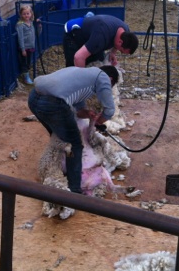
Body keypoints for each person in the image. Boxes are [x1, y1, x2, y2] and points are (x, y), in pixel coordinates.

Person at [28, 65, 119, 194]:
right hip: (52, 104)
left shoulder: (82, 76)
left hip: (33, 98)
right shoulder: (103, 78)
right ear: (110, 79)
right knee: (75, 144)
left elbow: (79, 111)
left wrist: (88, 114)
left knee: (59, 136)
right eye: (110, 86)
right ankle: (74, 190)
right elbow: (109, 111)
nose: (106, 90)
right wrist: (99, 121)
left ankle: (60, 165)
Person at [63, 14, 139, 68]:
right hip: (73, 35)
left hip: (93, 35)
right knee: (73, 71)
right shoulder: (100, 36)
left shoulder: (125, 31)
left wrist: (113, 52)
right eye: (121, 50)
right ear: (120, 42)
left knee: (98, 65)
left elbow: (118, 41)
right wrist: (83, 80)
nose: (120, 51)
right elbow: (78, 56)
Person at [16, 5, 41, 85]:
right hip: (25, 48)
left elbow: (36, 34)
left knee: (28, 63)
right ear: (21, 15)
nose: (26, 15)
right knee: (24, 63)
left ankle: (26, 76)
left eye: (28, 13)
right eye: (24, 14)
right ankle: (26, 78)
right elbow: (20, 37)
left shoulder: (31, 23)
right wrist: (23, 49)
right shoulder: (20, 25)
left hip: (31, 47)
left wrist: (39, 27)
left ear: (31, 14)